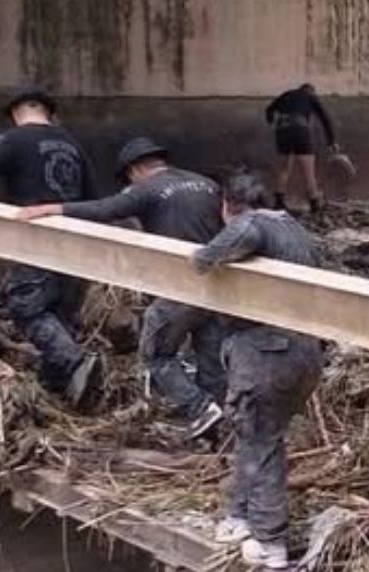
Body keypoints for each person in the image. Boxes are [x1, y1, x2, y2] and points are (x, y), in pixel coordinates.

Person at [17, 137, 227, 437]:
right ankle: (216, 428)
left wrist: (55, 208)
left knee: (155, 354)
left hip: (178, 287)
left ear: (135, 169)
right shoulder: (206, 184)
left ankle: (198, 407)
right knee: (210, 357)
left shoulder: (145, 189)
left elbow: (105, 209)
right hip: (217, 289)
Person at [192, 172, 323, 569]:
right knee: (256, 436)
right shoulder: (294, 227)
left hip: (269, 353)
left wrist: (200, 257)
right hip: (304, 351)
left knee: (262, 440)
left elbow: (205, 258)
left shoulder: (249, 223)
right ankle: (240, 517)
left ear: (226, 205)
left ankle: (271, 542)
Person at [0, 85, 102, 408]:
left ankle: (74, 362)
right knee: (60, 315)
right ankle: (62, 391)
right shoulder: (73, 144)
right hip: (76, 240)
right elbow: (94, 195)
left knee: (26, 309)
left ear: (16, 113)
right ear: (49, 112)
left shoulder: (14, 140)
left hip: (38, 240)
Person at [265, 83, 339, 213]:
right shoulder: (310, 97)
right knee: (308, 169)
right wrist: (331, 141)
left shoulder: (286, 94)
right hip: (299, 130)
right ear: (311, 91)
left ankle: (279, 202)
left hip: (282, 130)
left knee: (284, 168)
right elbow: (325, 118)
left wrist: (272, 123)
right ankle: (314, 203)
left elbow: (269, 110)